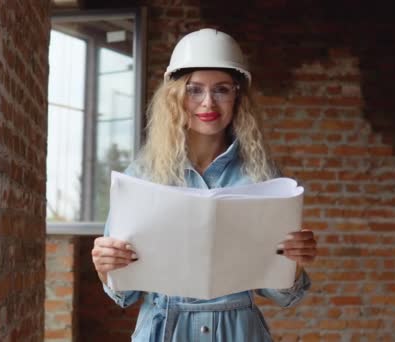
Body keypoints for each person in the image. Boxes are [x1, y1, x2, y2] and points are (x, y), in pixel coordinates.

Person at [91, 28, 317, 342]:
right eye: (194, 90)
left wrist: (293, 260)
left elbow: (282, 294)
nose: (208, 102)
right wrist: (106, 267)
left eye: (222, 89)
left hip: (238, 332)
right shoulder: (141, 175)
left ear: (238, 96)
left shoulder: (264, 177)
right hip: (163, 330)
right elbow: (124, 294)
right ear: (175, 96)